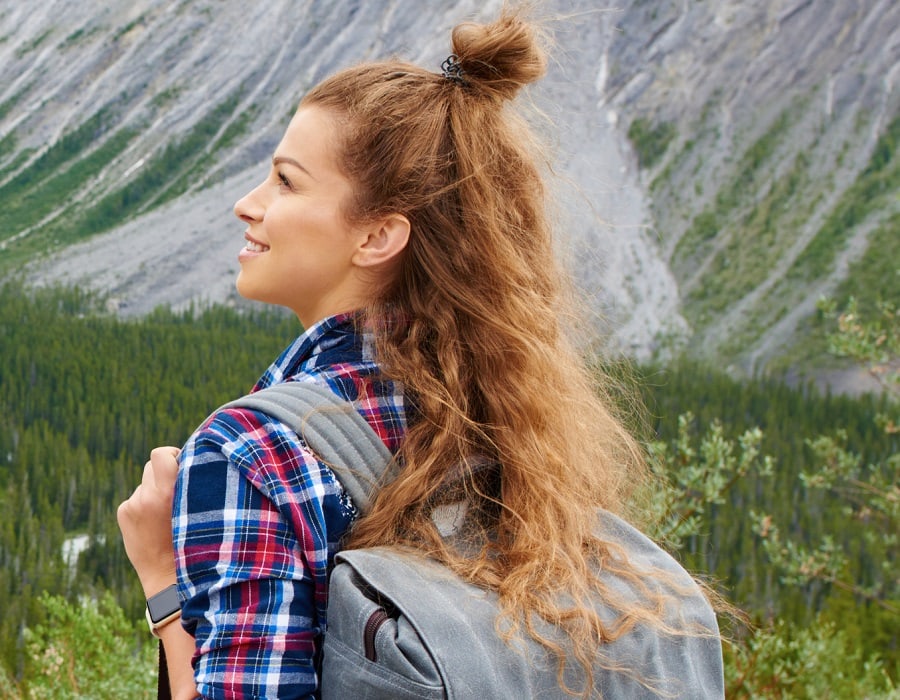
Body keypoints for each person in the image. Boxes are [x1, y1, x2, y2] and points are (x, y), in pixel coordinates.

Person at [118, 7, 723, 699]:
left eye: (286, 181)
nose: (246, 204)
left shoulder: (251, 453)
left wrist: (163, 583)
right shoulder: (505, 413)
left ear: (378, 237)